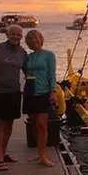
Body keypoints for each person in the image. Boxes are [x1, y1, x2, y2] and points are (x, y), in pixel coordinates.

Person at [0, 24, 28, 171]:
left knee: (9, 124)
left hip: (14, 91)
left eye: (18, 35)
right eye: (13, 34)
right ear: (7, 34)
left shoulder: (22, 53)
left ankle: (4, 152)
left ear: (21, 36)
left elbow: (28, 72)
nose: (15, 37)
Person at [23, 29, 56, 167]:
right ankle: (39, 151)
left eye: (37, 39)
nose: (34, 42)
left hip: (43, 92)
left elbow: (52, 74)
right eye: (31, 40)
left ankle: (43, 155)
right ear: (28, 43)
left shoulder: (49, 55)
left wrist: (52, 90)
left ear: (41, 39)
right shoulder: (28, 57)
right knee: (34, 124)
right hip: (30, 91)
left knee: (42, 125)